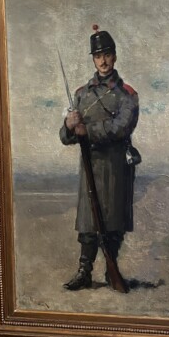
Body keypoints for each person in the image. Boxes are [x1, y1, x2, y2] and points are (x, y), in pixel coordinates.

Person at [59, 25, 140, 290]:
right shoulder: (82, 94)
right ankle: (84, 272)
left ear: (114, 56)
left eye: (106, 54)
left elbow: (122, 127)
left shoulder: (127, 94)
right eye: (97, 56)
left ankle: (111, 270)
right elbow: (66, 137)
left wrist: (89, 131)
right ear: (93, 59)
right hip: (90, 166)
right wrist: (69, 125)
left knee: (113, 221)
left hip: (115, 167)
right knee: (88, 221)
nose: (103, 61)